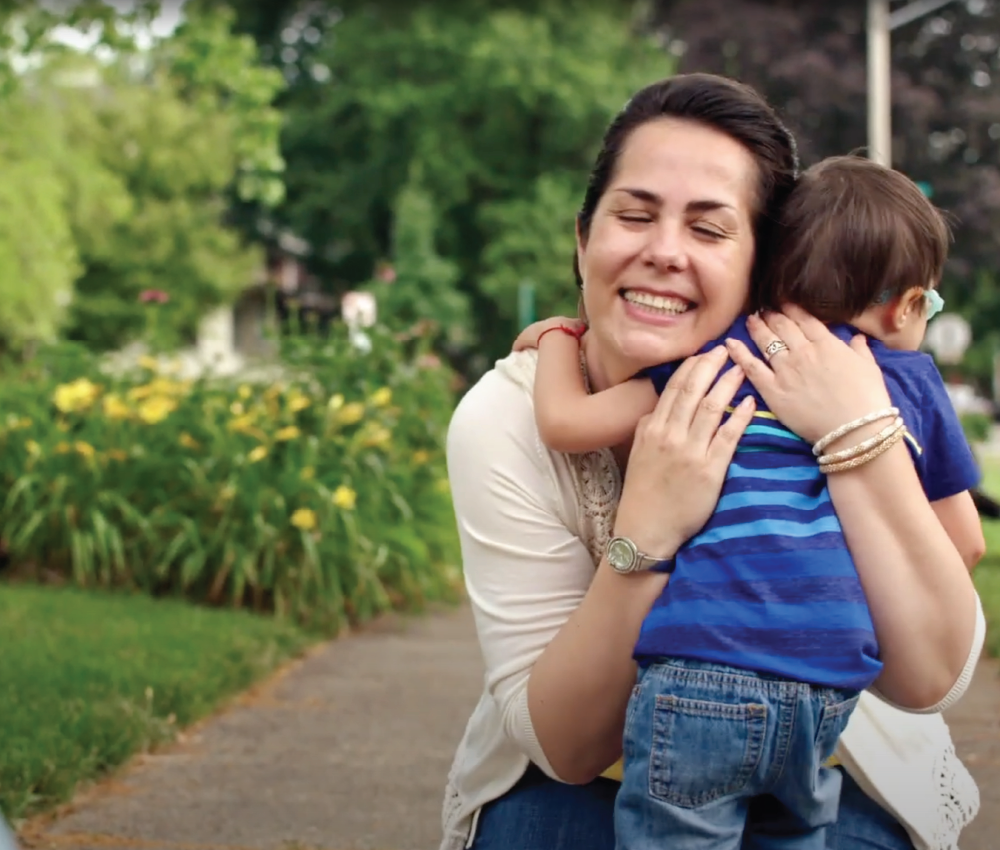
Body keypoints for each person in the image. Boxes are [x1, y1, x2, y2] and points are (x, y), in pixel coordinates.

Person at [440, 73, 985, 850]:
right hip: (586, 782)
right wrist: (647, 534)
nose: (663, 252)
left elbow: (930, 676)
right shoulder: (506, 415)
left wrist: (855, 439)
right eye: (634, 216)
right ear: (583, 239)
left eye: (709, 228)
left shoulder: (852, 382)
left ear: (765, 265)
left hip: (839, 760)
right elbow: (568, 748)